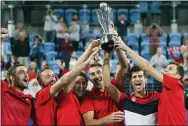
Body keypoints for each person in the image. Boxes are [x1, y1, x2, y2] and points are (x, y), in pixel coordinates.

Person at [112, 30, 186, 125]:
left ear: (178, 76)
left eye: (170, 69)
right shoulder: (167, 92)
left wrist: (125, 47)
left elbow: (146, 67)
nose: (166, 70)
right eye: (166, 68)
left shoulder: (175, 83)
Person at [34, 40, 100, 125]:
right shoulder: (41, 95)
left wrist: (88, 50)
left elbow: (74, 71)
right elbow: (64, 80)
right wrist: (86, 63)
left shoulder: (60, 97)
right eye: (47, 76)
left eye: (53, 76)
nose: (52, 79)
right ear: (39, 82)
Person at [103, 50, 160, 125]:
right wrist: (106, 59)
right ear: (130, 81)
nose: (137, 79)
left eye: (140, 76)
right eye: (134, 77)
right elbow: (107, 85)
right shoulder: (125, 99)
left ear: (145, 80)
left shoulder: (156, 97)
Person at [80, 38, 129, 126]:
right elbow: (88, 123)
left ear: (103, 72)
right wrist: (107, 119)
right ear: (90, 79)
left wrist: (116, 44)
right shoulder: (89, 97)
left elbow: (124, 66)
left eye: (98, 72)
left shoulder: (114, 85)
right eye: (92, 74)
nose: (96, 76)